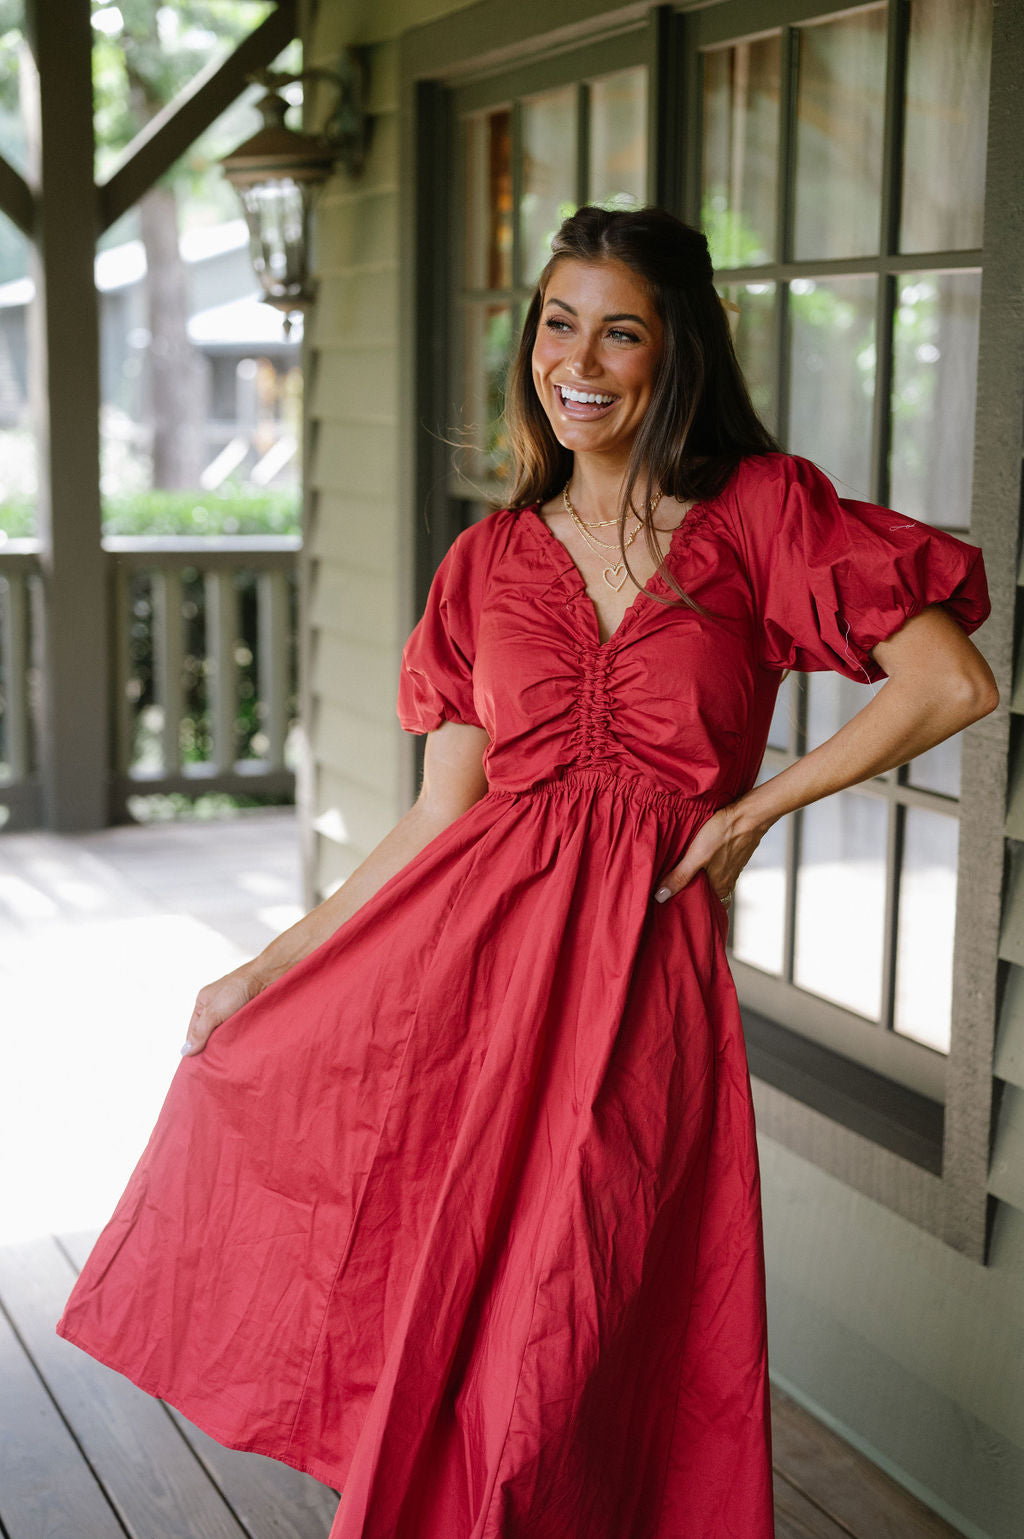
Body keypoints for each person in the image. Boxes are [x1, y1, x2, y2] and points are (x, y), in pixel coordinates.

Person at [57, 205, 996, 1539]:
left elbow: (949, 680)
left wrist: (751, 816)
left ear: (676, 354)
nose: (582, 359)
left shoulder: (763, 518)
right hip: (466, 988)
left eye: (622, 330)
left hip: (639, 993)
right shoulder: (487, 562)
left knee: (568, 1338)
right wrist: (267, 968)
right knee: (452, 1329)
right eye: (560, 324)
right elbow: (440, 819)